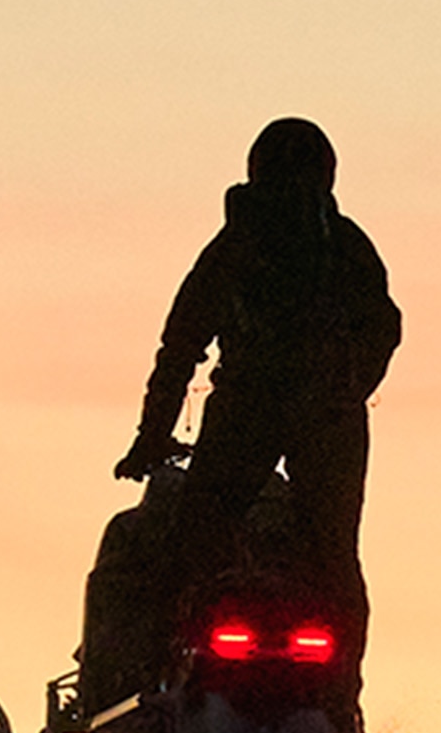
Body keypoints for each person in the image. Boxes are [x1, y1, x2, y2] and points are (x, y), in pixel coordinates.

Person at [116, 116, 402, 698]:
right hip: (324, 419)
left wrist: (152, 437)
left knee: (191, 546)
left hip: (254, 412)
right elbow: (385, 327)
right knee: (335, 561)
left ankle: (155, 686)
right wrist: (350, 385)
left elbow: (180, 347)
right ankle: (341, 695)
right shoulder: (344, 243)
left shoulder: (235, 246)